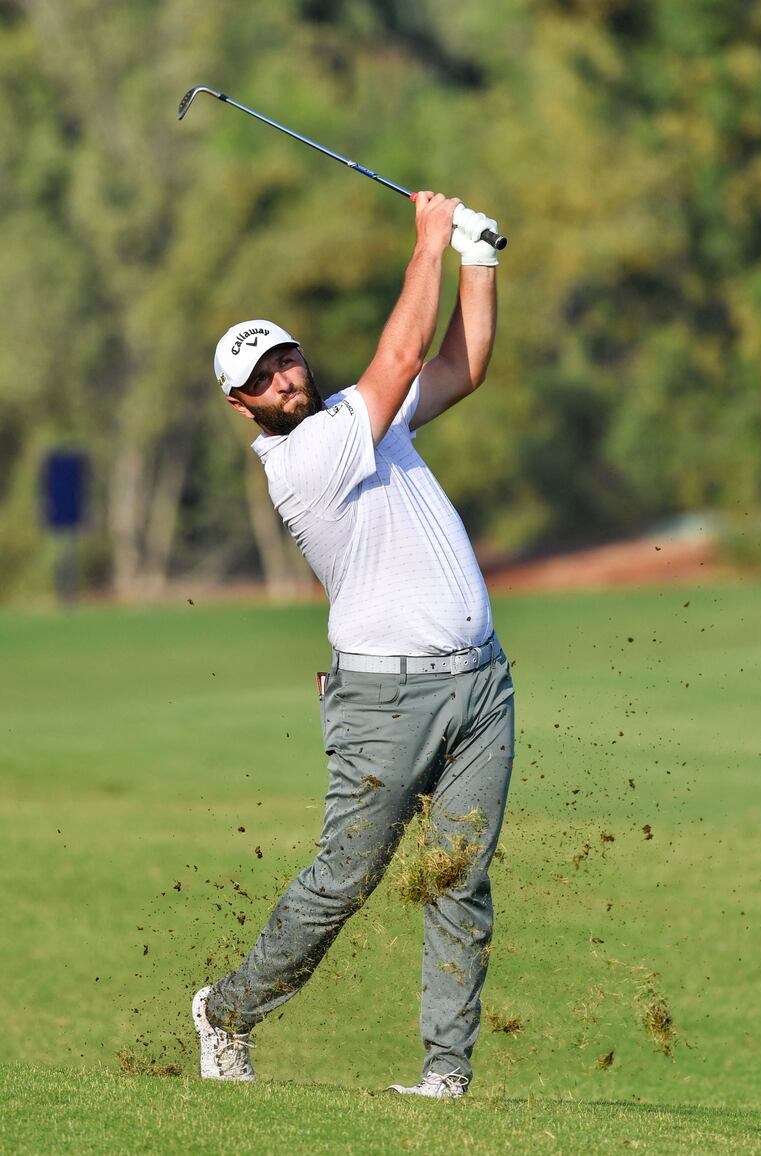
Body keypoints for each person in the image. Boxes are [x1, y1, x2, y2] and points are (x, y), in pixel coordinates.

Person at [193, 192, 515, 1099]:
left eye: (287, 359)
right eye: (264, 378)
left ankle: (445, 1075)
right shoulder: (306, 458)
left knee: (460, 879)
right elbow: (405, 352)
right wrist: (427, 239)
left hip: (480, 685)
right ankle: (227, 1012)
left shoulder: (359, 415)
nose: (285, 381)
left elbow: (460, 364)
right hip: (385, 702)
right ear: (241, 404)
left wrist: (479, 258)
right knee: (343, 883)